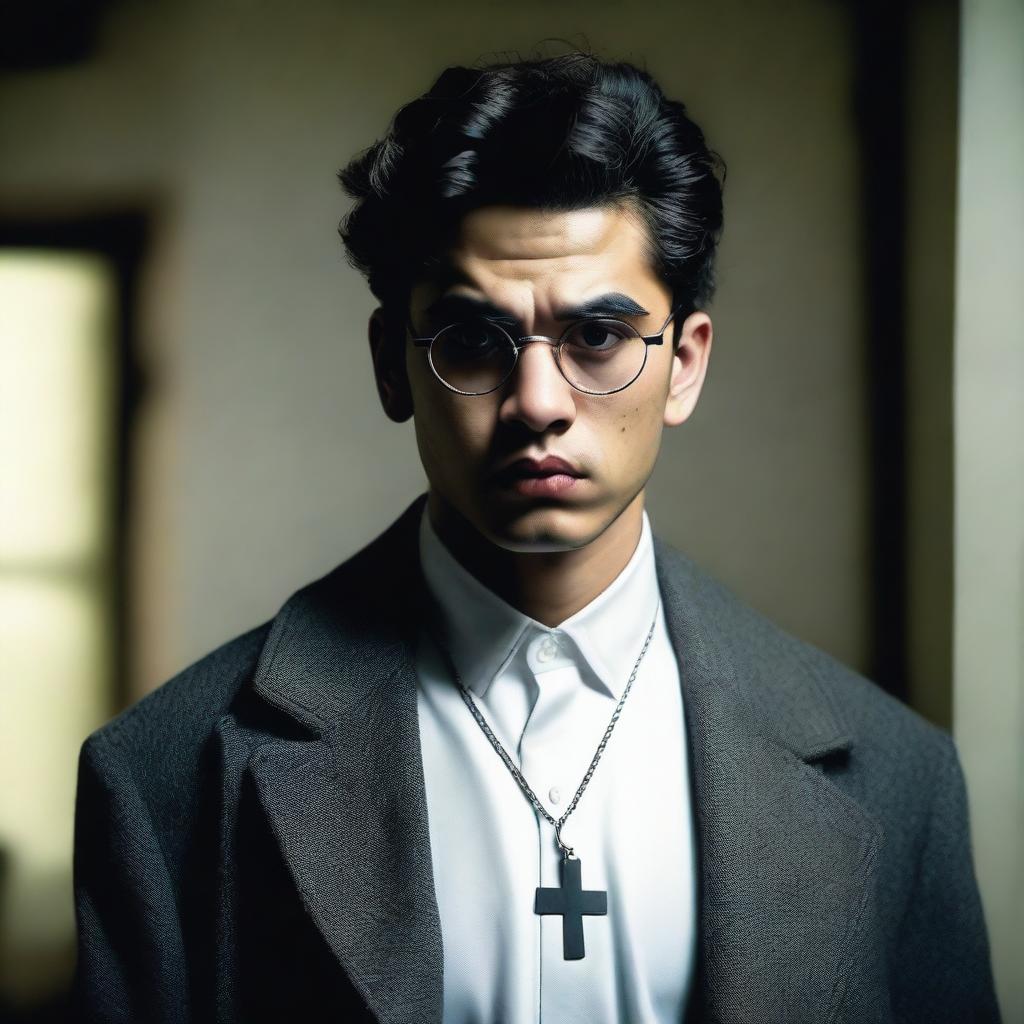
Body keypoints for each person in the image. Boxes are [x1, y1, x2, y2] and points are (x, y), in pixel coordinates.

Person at [71, 53, 1000, 1024]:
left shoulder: (900, 779)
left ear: (682, 365)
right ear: (395, 366)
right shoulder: (162, 776)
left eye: (597, 338)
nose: (538, 404)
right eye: (473, 342)